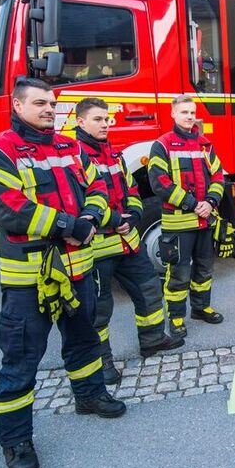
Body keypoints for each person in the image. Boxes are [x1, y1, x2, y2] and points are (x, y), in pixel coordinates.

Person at [0, 78, 125, 468]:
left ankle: (89, 395)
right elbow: (11, 210)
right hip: (30, 280)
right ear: (17, 105)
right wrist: (67, 225)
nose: (48, 109)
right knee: (21, 360)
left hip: (77, 270)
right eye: (40, 102)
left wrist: (89, 218)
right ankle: (16, 439)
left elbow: (97, 188)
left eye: (53, 103)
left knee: (84, 340)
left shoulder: (71, 147)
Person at [74, 98, 184, 386]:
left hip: (127, 242)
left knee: (149, 289)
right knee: (99, 310)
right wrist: (113, 220)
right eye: (97, 119)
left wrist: (134, 215)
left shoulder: (114, 155)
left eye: (106, 118)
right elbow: (77, 203)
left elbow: (132, 190)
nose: (105, 124)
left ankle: (152, 340)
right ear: (80, 122)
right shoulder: (73, 156)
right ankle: (102, 362)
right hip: (96, 248)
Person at [148, 95, 226, 334]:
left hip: (204, 222)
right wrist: (194, 204)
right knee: (178, 273)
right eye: (184, 112)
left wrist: (211, 201)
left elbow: (218, 176)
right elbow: (159, 183)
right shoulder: (162, 145)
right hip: (179, 224)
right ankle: (176, 317)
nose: (189, 117)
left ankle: (201, 308)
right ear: (173, 114)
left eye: (192, 112)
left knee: (204, 268)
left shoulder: (205, 144)